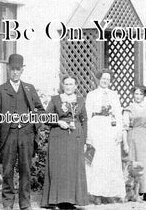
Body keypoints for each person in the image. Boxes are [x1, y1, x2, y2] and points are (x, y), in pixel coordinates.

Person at [0, 54, 44, 210]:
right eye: (12, 69)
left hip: (26, 135)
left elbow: (40, 111)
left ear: (22, 70)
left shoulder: (29, 88)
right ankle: (8, 203)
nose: (15, 72)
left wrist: (33, 123)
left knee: (25, 170)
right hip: (8, 135)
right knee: (7, 170)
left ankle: (25, 204)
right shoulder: (0, 90)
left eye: (18, 69)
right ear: (8, 69)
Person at [41, 75, 88, 209]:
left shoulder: (80, 100)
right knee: (59, 168)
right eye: (66, 84)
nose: (68, 87)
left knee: (73, 168)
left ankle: (70, 200)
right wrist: (58, 122)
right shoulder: (55, 99)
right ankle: (57, 200)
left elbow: (84, 120)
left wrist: (84, 140)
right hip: (58, 137)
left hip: (75, 138)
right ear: (63, 86)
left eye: (71, 84)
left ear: (75, 86)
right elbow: (45, 116)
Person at [85, 68, 126, 203]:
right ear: (98, 79)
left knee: (110, 161)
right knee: (97, 160)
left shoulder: (114, 94)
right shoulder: (92, 94)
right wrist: (88, 134)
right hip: (97, 128)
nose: (105, 81)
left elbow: (119, 115)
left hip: (110, 129)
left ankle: (109, 193)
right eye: (103, 79)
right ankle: (96, 194)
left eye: (108, 79)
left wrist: (119, 132)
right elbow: (87, 116)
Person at [122, 85, 146, 201]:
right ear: (133, 95)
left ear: (144, 96)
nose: (138, 96)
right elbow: (124, 127)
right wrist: (125, 143)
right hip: (133, 139)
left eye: (140, 94)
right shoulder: (128, 109)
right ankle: (132, 192)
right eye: (136, 94)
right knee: (134, 164)